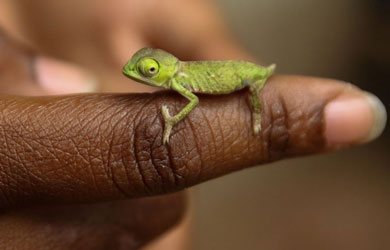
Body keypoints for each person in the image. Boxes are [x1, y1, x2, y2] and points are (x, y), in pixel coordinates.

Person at [0, 0, 386, 249]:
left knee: (260, 98)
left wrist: (171, 123)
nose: (136, 75)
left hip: (249, 77)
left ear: (164, 71)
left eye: (147, 71)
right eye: (143, 69)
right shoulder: (173, 74)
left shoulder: (182, 83)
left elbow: (193, 102)